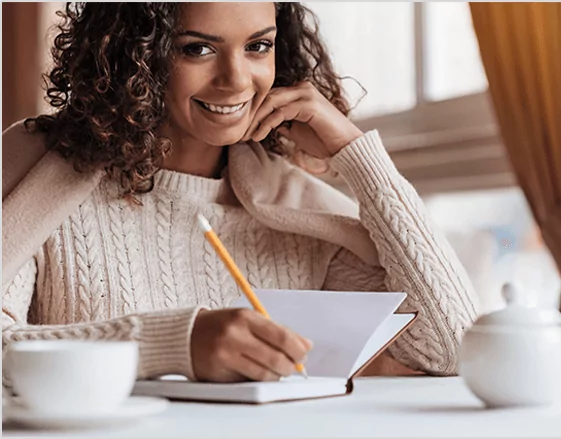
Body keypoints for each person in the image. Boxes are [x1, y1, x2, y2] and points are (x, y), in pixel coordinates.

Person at [2, 2, 479, 385]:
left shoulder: (299, 214)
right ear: (137, 55)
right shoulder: (39, 175)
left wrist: (357, 156)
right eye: (197, 49)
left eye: (258, 46)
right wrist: (175, 344)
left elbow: (455, 348)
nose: (235, 80)